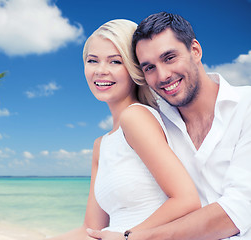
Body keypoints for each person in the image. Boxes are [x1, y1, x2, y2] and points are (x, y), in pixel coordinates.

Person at [48, 19, 201, 240]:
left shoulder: (135, 117)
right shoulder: (101, 145)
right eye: (92, 60)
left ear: (133, 67)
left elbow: (186, 200)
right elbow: (90, 230)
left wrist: (128, 236)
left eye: (115, 62)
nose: (101, 71)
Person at [110, 11, 250, 240]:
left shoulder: (246, 107)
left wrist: (133, 238)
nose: (163, 75)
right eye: (149, 68)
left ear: (195, 50)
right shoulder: (155, 123)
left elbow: (239, 210)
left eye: (169, 58)